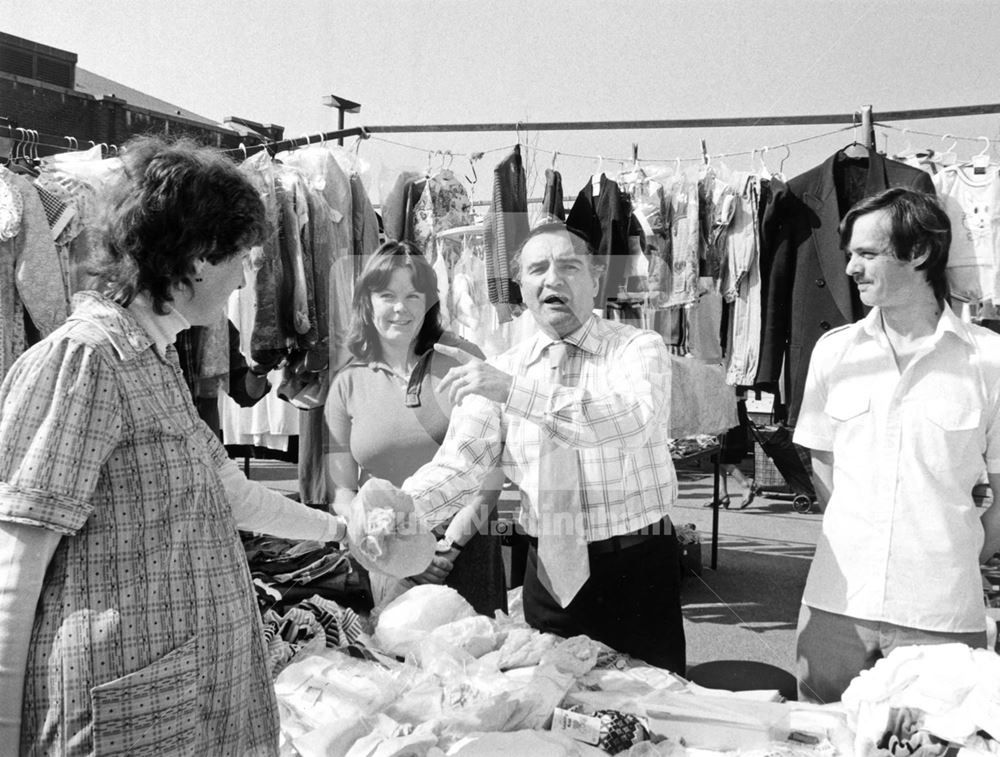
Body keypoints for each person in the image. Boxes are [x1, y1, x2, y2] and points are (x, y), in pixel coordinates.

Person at [0, 136, 348, 755]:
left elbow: (233, 495)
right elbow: (13, 565)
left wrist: (340, 532)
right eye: (240, 256)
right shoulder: (85, 359)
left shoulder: (154, 357)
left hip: (184, 702)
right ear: (194, 255)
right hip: (126, 713)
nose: (246, 275)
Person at [350, 221, 686, 673]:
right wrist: (401, 510)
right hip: (550, 575)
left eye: (568, 266)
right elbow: (460, 464)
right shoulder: (504, 369)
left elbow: (633, 420)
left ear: (595, 279)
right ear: (521, 287)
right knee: (557, 712)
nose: (553, 279)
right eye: (537, 269)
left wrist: (514, 391)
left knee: (654, 707)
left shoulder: (637, 348)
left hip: (637, 567)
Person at [793, 187, 1000, 704]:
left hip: (941, 617)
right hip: (835, 609)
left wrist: (952, 550)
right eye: (850, 256)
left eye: (867, 254)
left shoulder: (989, 361)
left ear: (920, 252)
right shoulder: (834, 353)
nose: (852, 269)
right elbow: (824, 468)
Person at [326, 240, 507, 615]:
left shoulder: (461, 361)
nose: (400, 308)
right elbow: (342, 491)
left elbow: (490, 471)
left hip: (461, 554)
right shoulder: (347, 382)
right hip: (383, 557)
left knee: (476, 667)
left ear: (429, 302)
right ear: (367, 301)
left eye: (413, 295)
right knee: (394, 666)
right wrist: (392, 547)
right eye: (387, 294)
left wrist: (445, 548)